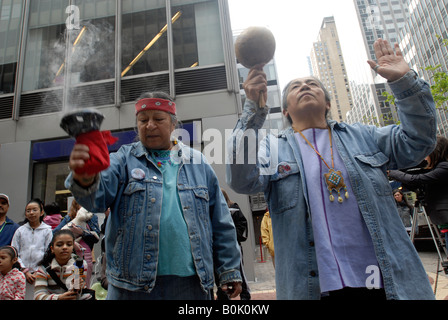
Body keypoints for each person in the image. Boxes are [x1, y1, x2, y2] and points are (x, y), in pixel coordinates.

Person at [226, 39, 436, 300]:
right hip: (314, 288)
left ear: (327, 103)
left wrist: (404, 82)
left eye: (312, 84)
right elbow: (241, 180)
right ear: (286, 111)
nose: (304, 86)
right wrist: (252, 110)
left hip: (381, 281)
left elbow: (418, 141)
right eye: (295, 87)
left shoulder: (365, 135)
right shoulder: (272, 149)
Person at [65, 91, 242, 300]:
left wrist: (228, 270)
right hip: (130, 287)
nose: (149, 125)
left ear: (173, 124)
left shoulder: (198, 163)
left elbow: (221, 222)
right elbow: (97, 198)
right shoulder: (122, 160)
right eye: (143, 120)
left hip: (191, 285)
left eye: (158, 119)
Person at [389, 136, 448, 254]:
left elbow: (416, 180)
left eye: (427, 152)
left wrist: (392, 172)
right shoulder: (438, 168)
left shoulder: (444, 167)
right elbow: (416, 184)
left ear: (435, 151)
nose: (425, 157)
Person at [11, 198, 53, 299]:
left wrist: (38, 271)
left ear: (42, 212)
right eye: (28, 210)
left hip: (40, 274)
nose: (31, 213)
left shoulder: (47, 231)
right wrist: (25, 270)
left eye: (34, 210)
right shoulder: (20, 230)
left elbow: (49, 253)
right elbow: (14, 252)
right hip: (21, 274)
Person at [54, 200, 100, 288]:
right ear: (76, 205)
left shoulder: (93, 217)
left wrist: (82, 232)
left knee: (85, 283)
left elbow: (96, 238)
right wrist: (70, 243)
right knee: (72, 283)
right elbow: (56, 234)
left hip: (86, 256)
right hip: (70, 256)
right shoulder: (68, 218)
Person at [34, 230, 89, 300]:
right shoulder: (44, 268)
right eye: (59, 245)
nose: (64, 247)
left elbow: (80, 291)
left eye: (69, 244)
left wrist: (77, 287)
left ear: (73, 248)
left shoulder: (80, 264)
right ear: (52, 249)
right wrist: (58, 298)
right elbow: (38, 295)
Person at [216, 189, 250, 300]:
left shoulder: (233, 208)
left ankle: (245, 296)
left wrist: (231, 236)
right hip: (218, 247)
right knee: (219, 273)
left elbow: (243, 226)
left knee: (240, 271)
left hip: (235, 246)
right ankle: (223, 296)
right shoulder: (215, 211)